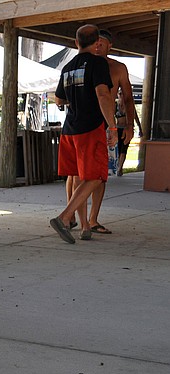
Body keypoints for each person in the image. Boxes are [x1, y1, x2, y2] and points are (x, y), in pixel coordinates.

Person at [50, 24, 117, 244]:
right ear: (97, 42)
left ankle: (85, 226)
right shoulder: (98, 63)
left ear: (76, 43)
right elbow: (103, 94)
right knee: (96, 176)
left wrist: (76, 95)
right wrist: (113, 127)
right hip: (90, 128)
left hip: (70, 129)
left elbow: (59, 99)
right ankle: (64, 217)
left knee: (79, 177)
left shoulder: (68, 67)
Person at [84, 29, 135, 234]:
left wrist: (130, 125)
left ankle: (93, 218)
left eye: (102, 43)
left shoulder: (118, 68)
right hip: (83, 124)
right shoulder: (83, 64)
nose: (98, 47)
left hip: (106, 125)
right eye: (95, 43)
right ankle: (73, 217)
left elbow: (128, 98)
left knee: (100, 174)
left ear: (109, 45)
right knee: (77, 174)